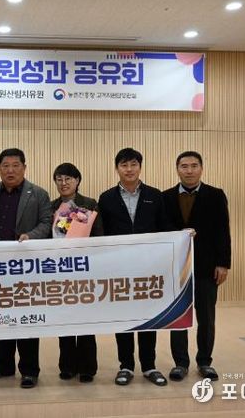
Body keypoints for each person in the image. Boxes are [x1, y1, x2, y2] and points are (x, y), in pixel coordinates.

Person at [0, 148, 52, 389]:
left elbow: (47, 222)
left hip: (27, 269)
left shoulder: (38, 194)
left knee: (27, 319)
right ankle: (4, 365)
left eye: (15, 165)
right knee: (2, 317)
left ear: (24, 167)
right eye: (5, 166)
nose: (10, 170)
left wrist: (31, 236)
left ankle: (29, 370)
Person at [96, 147, 171, 387]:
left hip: (149, 269)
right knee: (124, 318)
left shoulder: (155, 195)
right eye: (124, 165)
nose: (129, 169)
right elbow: (101, 235)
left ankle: (149, 366)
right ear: (117, 168)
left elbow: (165, 230)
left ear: (140, 166)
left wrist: (182, 237)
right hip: (119, 269)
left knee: (148, 317)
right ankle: (126, 366)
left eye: (133, 164)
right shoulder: (106, 198)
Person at [166, 151, 231, 382]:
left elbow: (223, 230)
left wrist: (223, 263)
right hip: (176, 269)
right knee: (178, 318)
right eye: (184, 166)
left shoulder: (216, 195)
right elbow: (161, 229)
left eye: (194, 166)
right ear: (177, 169)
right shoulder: (166, 197)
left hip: (207, 267)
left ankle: (204, 361)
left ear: (201, 168)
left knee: (206, 317)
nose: (189, 170)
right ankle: (180, 363)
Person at [51, 162, 102, 383]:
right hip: (60, 271)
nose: (63, 183)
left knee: (86, 320)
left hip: (85, 270)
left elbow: (99, 236)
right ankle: (67, 366)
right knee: (65, 320)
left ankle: (88, 368)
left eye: (68, 179)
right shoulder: (51, 206)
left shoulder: (89, 204)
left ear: (77, 181)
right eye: (59, 179)